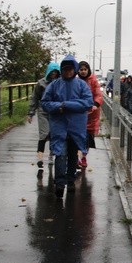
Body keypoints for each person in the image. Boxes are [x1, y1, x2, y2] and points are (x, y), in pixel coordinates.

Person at [41, 55, 94, 199]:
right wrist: (59, 107)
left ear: (74, 70)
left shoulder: (82, 85)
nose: (68, 72)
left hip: (76, 128)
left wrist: (66, 104)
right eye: (65, 69)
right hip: (59, 126)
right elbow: (45, 103)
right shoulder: (54, 85)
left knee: (72, 155)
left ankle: (70, 180)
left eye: (70, 69)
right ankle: (59, 183)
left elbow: (88, 102)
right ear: (61, 70)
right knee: (60, 153)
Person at [27, 62, 60, 175]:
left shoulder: (60, 83)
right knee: (44, 133)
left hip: (55, 111)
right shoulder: (41, 83)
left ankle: (51, 154)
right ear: (48, 72)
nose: (54, 74)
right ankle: (40, 158)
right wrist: (31, 113)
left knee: (53, 133)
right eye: (52, 72)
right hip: (43, 111)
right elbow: (34, 98)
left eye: (56, 72)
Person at [77, 60, 103, 169]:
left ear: (88, 70)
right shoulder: (75, 81)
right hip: (78, 113)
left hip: (91, 114)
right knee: (77, 137)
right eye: (81, 69)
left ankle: (83, 157)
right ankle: (76, 158)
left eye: (85, 69)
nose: (83, 72)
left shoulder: (93, 81)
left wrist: (95, 104)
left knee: (87, 138)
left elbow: (98, 94)